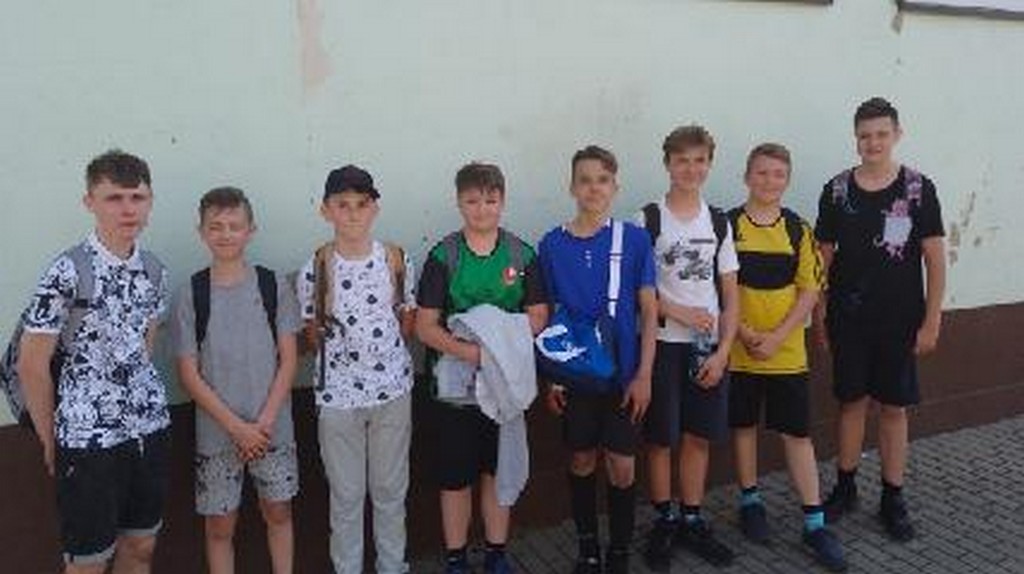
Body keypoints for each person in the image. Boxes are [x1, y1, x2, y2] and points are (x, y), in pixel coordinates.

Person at [17, 150, 171, 574]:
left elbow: (146, 344)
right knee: (88, 563)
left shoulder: (154, 270)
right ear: (90, 202)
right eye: (114, 198)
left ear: (150, 202)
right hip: (86, 441)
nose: (128, 209)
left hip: (147, 429)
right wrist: (51, 439)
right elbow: (31, 364)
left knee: (141, 546)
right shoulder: (67, 271)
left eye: (137, 198)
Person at [815, 97, 946, 542]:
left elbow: (935, 260)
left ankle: (892, 497)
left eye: (881, 134)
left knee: (893, 407)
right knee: (850, 403)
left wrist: (932, 321)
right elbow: (821, 261)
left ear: (897, 135)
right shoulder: (837, 191)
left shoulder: (918, 189)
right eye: (865, 135)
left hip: (900, 321)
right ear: (856, 139)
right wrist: (819, 316)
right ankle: (845, 487)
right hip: (848, 320)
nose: (873, 143)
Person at [416, 162, 547, 574]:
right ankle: (456, 558)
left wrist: (497, 346)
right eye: (472, 201)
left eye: (490, 200)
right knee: (456, 477)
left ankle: (496, 553)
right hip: (454, 390)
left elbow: (538, 316)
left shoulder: (521, 255)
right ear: (459, 203)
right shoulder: (444, 256)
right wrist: (471, 352)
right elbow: (424, 326)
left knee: (496, 469)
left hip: (504, 384)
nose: (482, 209)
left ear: (502, 202)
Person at [539, 145, 657, 574]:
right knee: (581, 459)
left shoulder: (635, 240)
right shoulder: (552, 244)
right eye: (585, 180)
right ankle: (587, 547)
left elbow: (649, 310)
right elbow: (549, 315)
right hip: (575, 375)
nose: (594, 188)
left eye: (603, 180)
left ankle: (620, 549)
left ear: (615, 187)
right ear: (572, 187)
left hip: (623, 375)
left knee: (622, 464)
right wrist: (553, 378)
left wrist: (644, 375)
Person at [727, 144, 846, 571]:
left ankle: (814, 523)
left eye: (778, 174)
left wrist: (777, 337)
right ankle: (750, 502)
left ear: (787, 181)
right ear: (747, 177)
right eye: (761, 173)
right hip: (738, 352)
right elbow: (720, 289)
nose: (769, 181)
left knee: (797, 434)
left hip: (787, 354)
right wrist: (743, 333)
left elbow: (810, 291)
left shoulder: (798, 228)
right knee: (743, 426)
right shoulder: (728, 227)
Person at [172, 187, 301, 574]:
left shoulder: (272, 286)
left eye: (234, 225)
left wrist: (262, 423)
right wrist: (236, 428)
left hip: (271, 429)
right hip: (217, 433)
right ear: (201, 232)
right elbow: (188, 373)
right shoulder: (191, 294)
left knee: (278, 513)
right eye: (216, 226)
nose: (225, 234)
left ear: (250, 230)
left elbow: (289, 360)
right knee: (219, 526)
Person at [296, 165, 417, 574]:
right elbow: (312, 331)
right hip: (338, 398)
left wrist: (381, 360)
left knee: (390, 491)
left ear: (375, 209)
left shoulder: (396, 259)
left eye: (361, 204)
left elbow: (406, 320)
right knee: (346, 497)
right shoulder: (315, 267)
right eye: (342, 205)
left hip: (392, 391)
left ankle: (392, 566)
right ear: (325, 210)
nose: (352, 214)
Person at [639, 126, 739, 570]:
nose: (690, 169)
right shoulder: (648, 219)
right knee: (662, 438)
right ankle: (665, 519)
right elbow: (640, 293)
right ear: (667, 164)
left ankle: (692, 518)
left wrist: (723, 351)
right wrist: (678, 312)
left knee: (698, 436)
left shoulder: (718, 221)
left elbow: (731, 295)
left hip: (706, 349)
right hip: (662, 345)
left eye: (699, 160)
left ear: (709, 165)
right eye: (682, 160)